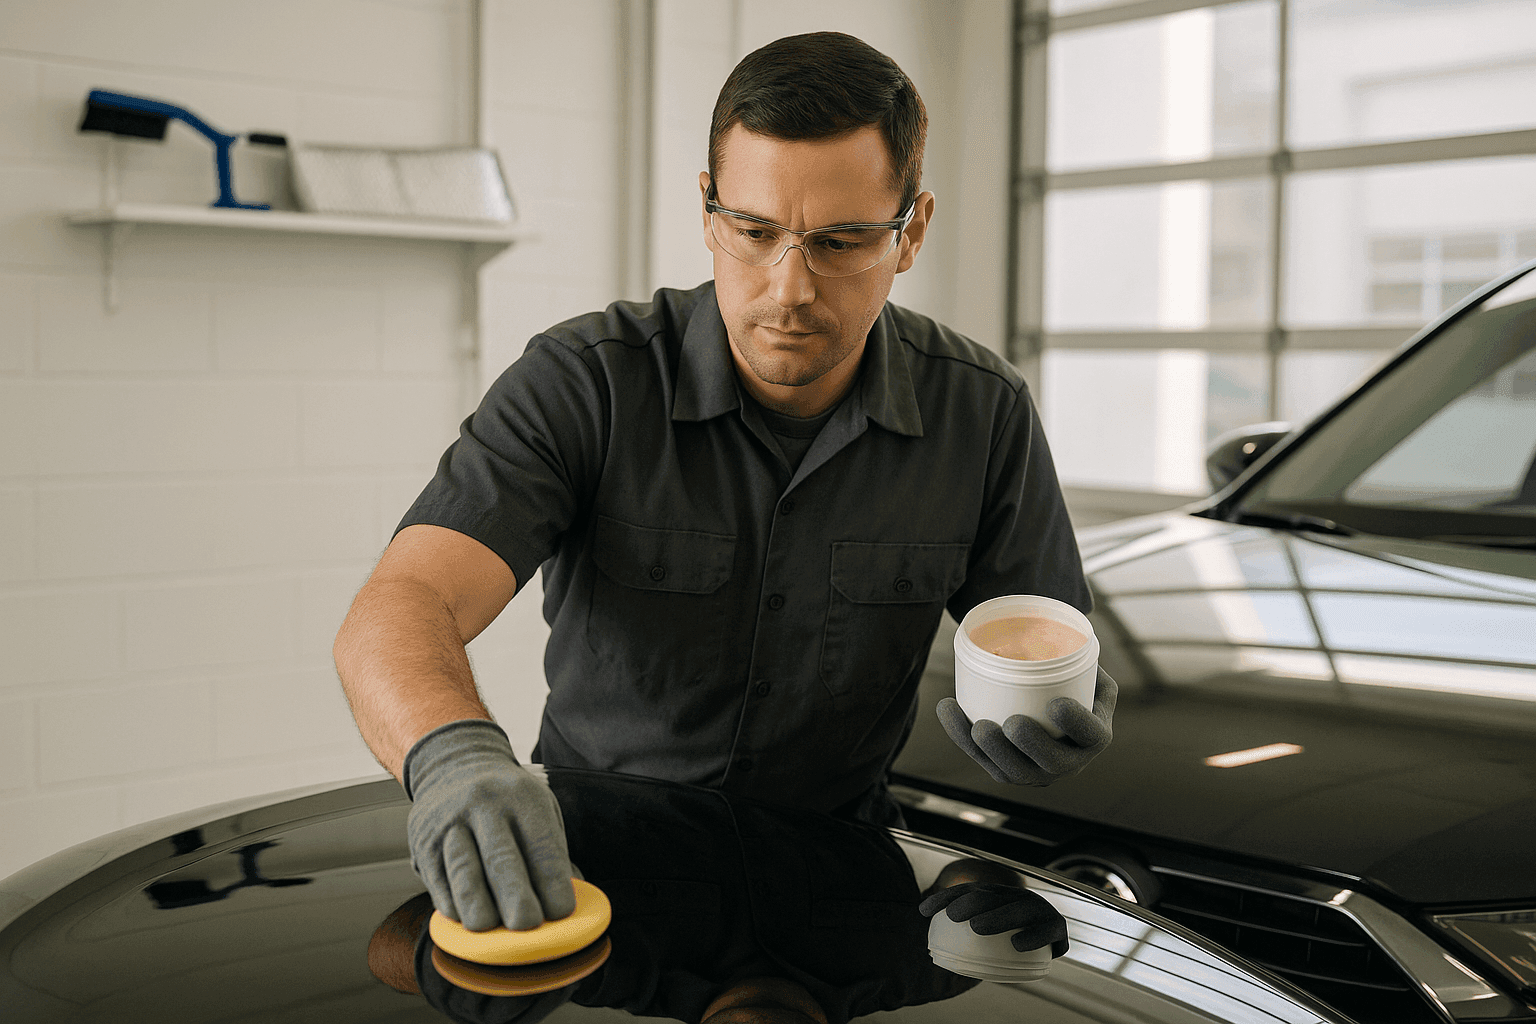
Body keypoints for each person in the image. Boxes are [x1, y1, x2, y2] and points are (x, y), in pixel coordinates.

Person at [333, 30, 1115, 937]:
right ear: (708, 212)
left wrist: (1067, 710)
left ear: (912, 233)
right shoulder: (585, 384)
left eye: (841, 241)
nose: (789, 288)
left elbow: (1051, 643)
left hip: (847, 902)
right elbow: (404, 601)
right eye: (753, 232)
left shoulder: (983, 415)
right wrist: (453, 758)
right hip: (586, 890)